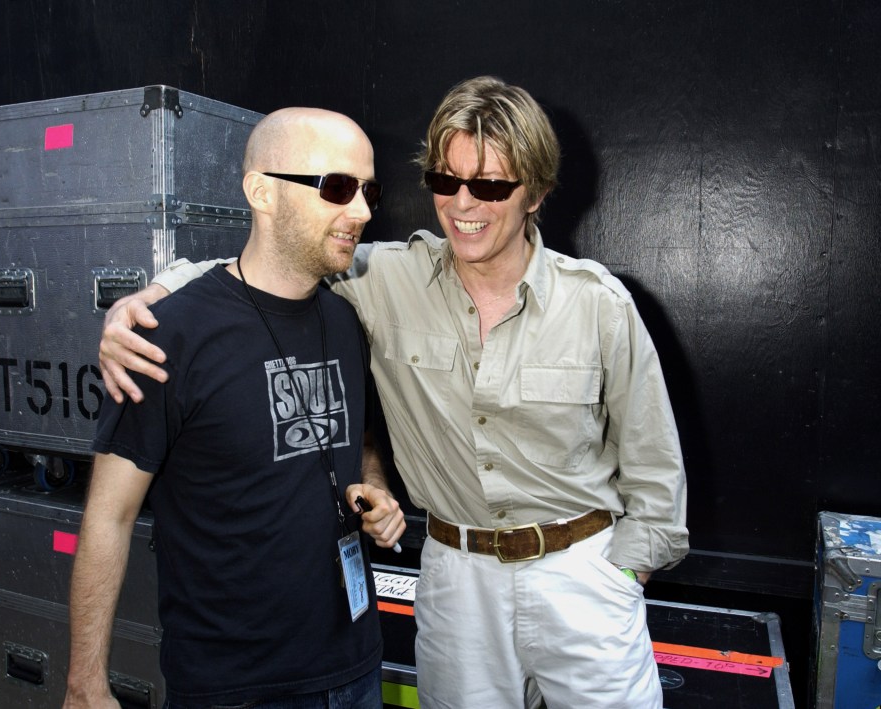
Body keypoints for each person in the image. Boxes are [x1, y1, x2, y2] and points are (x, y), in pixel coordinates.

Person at [98, 76, 689, 709]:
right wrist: (152, 297)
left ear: (537, 193)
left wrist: (621, 576)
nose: (464, 204)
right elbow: (271, 261)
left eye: (490, 186)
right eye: (447, 181)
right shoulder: (386, 276)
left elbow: (656, 468)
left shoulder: (597, 302)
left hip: (583, 576)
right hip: (456, 580)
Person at [63, 107, 405, 709]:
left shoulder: (345, 319)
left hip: (354, 669)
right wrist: (85, 683)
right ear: (261, 192)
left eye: (368, 191)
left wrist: (372, 488)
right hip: (235, 689)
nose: (362, 211)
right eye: (337, 188)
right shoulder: (168, 335)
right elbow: (108, 517)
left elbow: (362, 442)